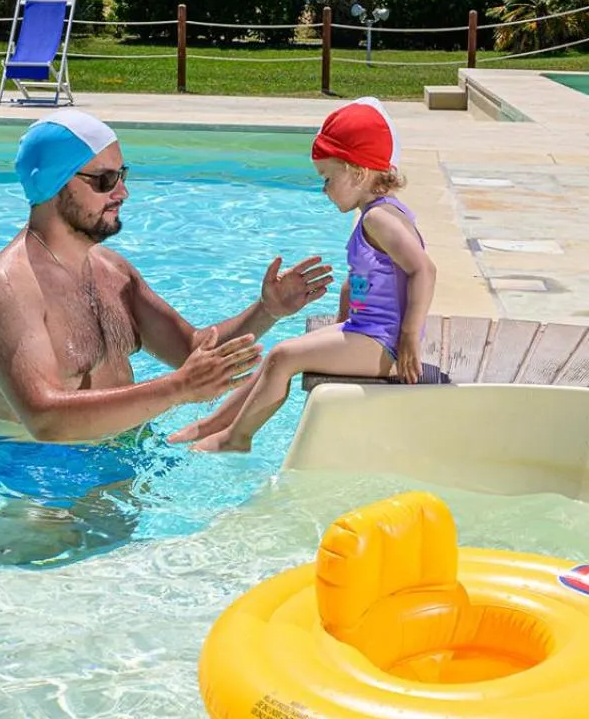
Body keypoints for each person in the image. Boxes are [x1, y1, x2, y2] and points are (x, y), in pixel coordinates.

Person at [0, 110, 335, 515]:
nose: (122, 193)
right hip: (38, 481)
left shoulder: (112, 272)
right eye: (105, 180)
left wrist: (267, 311)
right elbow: (44, 419)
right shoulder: (8, 287)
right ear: (54, 182)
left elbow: (192, 350)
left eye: (123, 175)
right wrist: (177, 389)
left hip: (123, 455)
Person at [169, 97, 436, 453]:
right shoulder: (376, 213)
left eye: (328, 178)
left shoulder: (378, 219)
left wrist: (409, 338)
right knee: (279, 355)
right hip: (368, 332)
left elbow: (423, 269)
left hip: (384, 345)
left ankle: (237, 438)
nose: (323, 188)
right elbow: (359, 278)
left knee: (283, 356)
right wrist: (343, 320)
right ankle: (215, 423)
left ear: (357, 172)